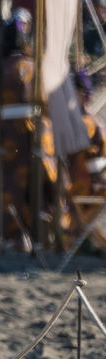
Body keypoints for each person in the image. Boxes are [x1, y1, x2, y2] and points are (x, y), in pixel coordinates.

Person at [0, 13, 57, 250]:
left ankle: (14, 237)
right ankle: (43, 233)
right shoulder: (40, 70)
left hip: (8, 138)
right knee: (38, 184)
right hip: (40, 135)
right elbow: (52, 104)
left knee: (10, 187)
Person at [64, 71, 106, 254]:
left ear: (82, 94)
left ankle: (81, 236)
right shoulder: (66, 124)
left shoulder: (93, 126)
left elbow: (99, 169)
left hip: (83, 189)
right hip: (68, 186)